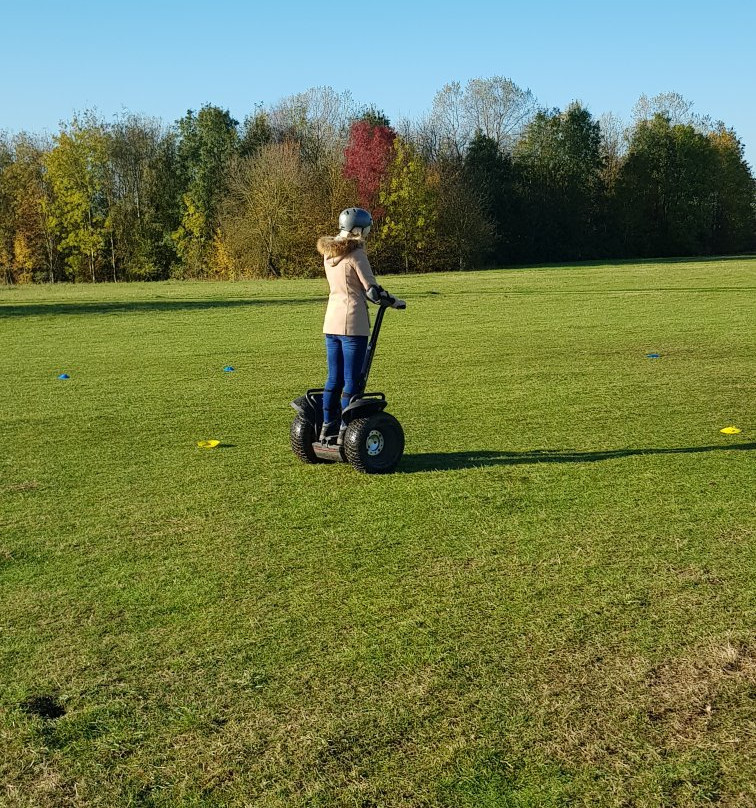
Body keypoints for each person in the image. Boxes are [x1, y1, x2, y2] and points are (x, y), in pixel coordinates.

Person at [316, 207, 395, 443]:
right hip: (353, 323)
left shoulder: (328, 254)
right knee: (352, 380)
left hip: (331, 322)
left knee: (334, 378)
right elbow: (371, 291)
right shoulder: (356, 254)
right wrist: (392, 300)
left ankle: (326, 425)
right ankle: (345, 430)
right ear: (358, 229)